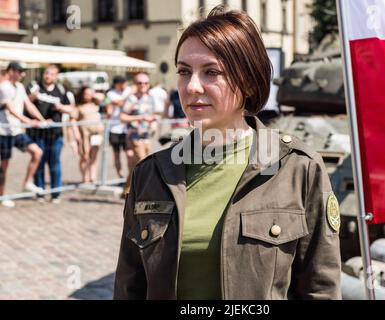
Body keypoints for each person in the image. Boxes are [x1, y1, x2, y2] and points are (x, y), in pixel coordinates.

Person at [114, 5, 341, 300]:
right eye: (184, 72)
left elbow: (319, 288)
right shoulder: (151, 174)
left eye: (211, 72)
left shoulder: (297, 168)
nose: (192, 86)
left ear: (247, 81)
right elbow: (128, 288)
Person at [26, 64, 74, 203]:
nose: (48, 76)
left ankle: (55, 193)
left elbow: (72, 109)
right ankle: (39, 192)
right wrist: (32, 98)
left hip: (55, 133)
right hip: (37, 132)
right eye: (47, 73)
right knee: (38, 162)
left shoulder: (61, 90)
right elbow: (24, 104)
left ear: (56, 76)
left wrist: (61, 107)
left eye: (52, 74)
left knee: (55, 163)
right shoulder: (34, 86)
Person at [0, 62, 46, 208]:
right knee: (4, 166)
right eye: (20, 71)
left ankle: (27, 183)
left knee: (37, 152)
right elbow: (10, 109)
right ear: (11, 71)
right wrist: (29, 121)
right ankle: (2, 196)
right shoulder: (4, 87)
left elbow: (29, 105)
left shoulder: (19, 87)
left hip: (16, 131)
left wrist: (41, 120)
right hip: (4, 132)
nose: (23, 74)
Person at [120, 72, 157, 194]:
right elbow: (122, 117)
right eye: (140, 83)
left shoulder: (150, 98)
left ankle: (127, 190)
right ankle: (142, 192)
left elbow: (153, 114)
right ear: (135, 84)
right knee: (143, 162)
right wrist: (139, 118)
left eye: (145, 83)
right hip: (134, 136)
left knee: (137, 165)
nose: (143, 85)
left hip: (147, 136)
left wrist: (153, 120)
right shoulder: (131, 99)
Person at [73, 86, 104, 183]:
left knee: (94, 155)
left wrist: (92, 94)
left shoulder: (95, 103)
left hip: (96, 133)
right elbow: (73, 120)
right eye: (86, 94)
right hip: (84, 134)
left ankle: (93, 177)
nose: (88, 96)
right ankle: (85, 176)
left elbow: (102, 97)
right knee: (85, 156)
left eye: (90, 93)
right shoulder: (78, 106)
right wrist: (76, 134)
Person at [105, 75, 133, 180]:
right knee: (116, 154)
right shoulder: (110, 94)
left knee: (129, 153)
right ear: (117, 84)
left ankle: (130, 176)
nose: (125, 86)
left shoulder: (127, 90)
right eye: (123, 84)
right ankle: (120, 176)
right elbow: (119, 103)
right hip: (114, 129)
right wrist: (128, 95)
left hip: (126, 128)